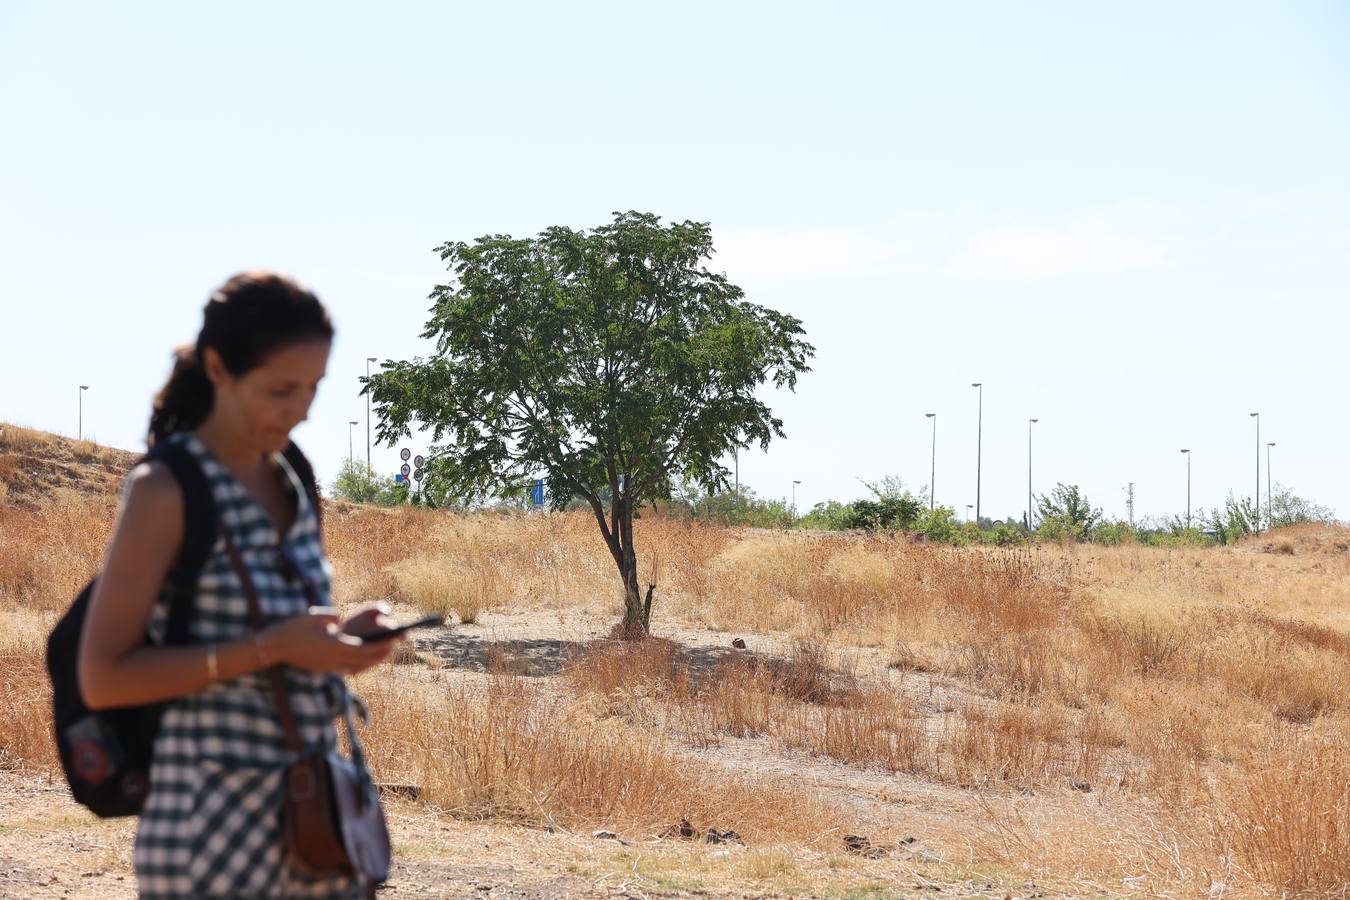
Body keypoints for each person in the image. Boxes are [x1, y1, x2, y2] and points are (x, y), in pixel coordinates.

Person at [78, 271, 399, 898]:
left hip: (314, 823)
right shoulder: (167, 489)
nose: (302, 409)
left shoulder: (293, 475)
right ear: (220, 368)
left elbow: (288, 630)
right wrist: (275, 646)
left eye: (314, 387)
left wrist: (338, 642)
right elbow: (104, 676)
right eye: (281, 389)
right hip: (210, 832)